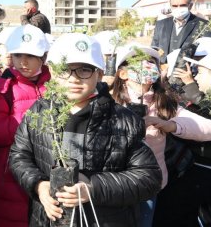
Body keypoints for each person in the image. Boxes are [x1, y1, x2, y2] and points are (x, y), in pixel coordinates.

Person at [8, 33, 161, 226]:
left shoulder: (124, 121)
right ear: (53, 72)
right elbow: (18, 156)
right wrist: (38, 185)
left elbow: (149, 178)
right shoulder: (39, 112)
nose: (74, 78)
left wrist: (92, 188)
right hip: (48, 219)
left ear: (98, 73)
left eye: (84, 70)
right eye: (65, 69)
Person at [110, 44, 211, 227]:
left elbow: (210, 129)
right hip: (113, 185)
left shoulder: (163, 103)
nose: (146, 67)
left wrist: (171, 125)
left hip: (149, 186)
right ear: (123, 73)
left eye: (151, 63)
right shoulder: (109, 101)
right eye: (138, 63)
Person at [0, 24, 51, 227]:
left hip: (47, 171)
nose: (23, 61)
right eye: (18, 55)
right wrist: (31, 122)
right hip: (11, 176)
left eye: (30, 55)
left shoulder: (55, 87)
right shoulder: (3, 88)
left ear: (43, 57)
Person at [151, 0, 211, 64]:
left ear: (190, 6)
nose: (178, 8)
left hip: (188, 72)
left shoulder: (205, 25)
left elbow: (209, 53)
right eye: (174, 6)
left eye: (182, 5)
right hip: (162, 70)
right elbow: (155, 48)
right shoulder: (161, 24)